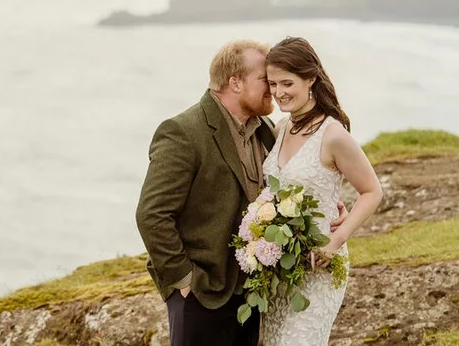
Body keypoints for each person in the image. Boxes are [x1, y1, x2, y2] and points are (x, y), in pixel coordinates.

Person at [135, 39, 346, 346]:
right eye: (265, 80)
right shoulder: (183, 131)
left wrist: (329, 206)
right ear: (234, 82)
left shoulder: (266, 128)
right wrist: (184, 281)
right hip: (200, 294)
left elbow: (287, 185)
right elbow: (151, 214)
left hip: (252, 293)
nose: (273, 90)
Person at [261, 37, 382, 346]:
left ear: (311, 78)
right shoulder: (279, 129)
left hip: (320, 267)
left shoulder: (334, 135)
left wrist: (336, 240)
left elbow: (372, 191)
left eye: (287, 83)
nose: (279, 93)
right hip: (282, 271)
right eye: (272, 84)